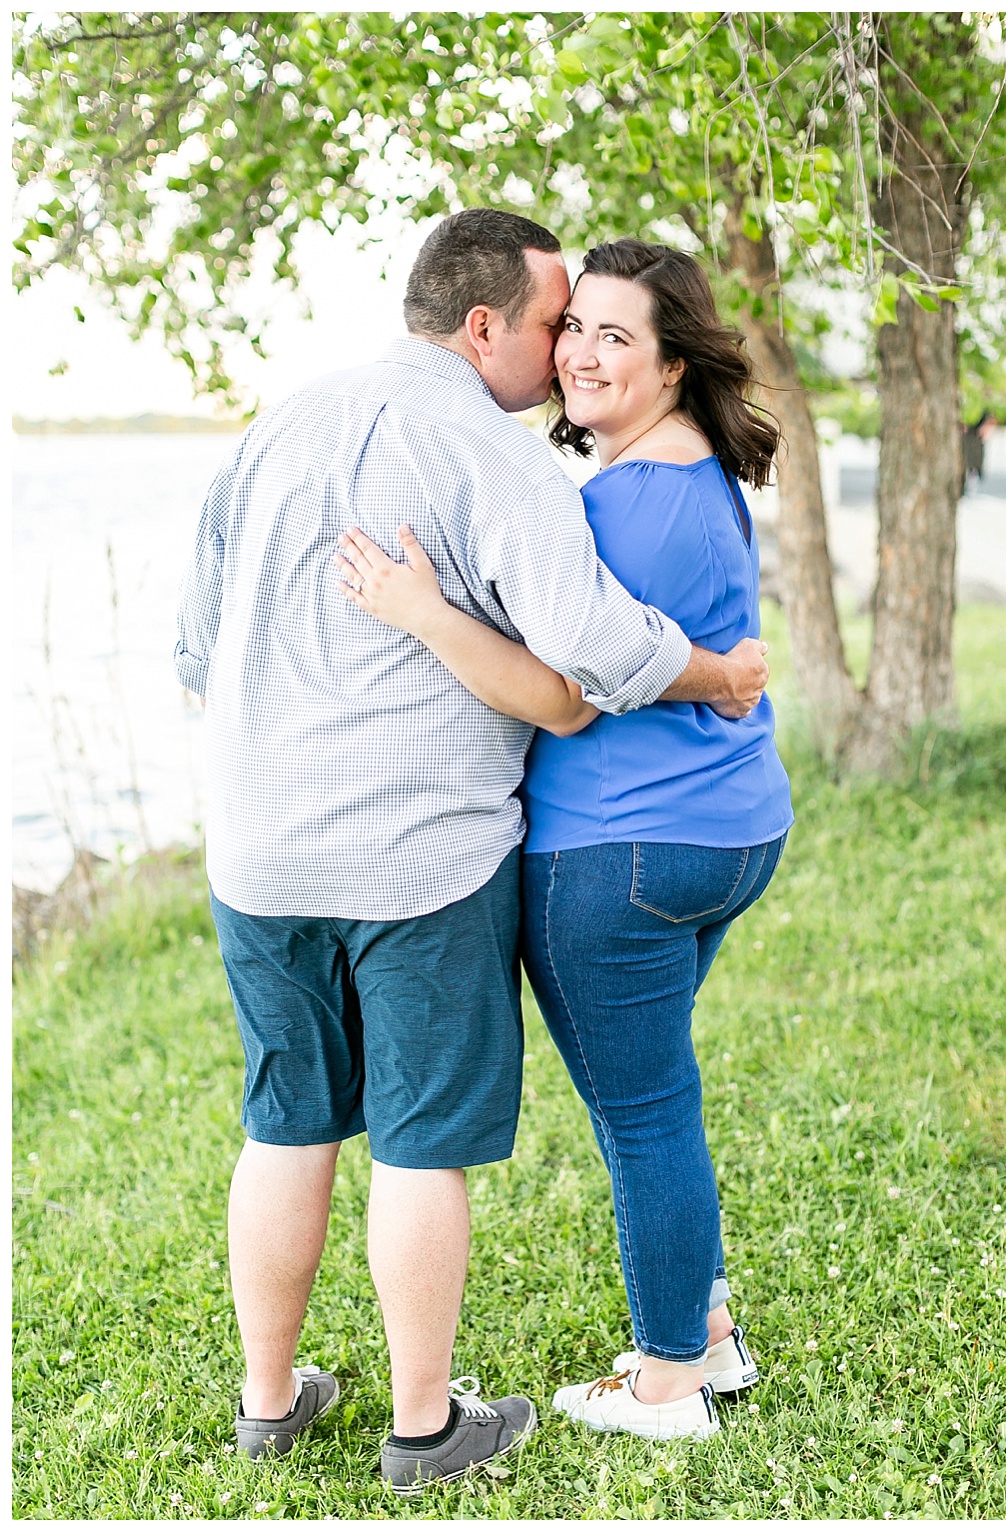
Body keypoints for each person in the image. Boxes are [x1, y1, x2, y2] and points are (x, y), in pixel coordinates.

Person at [174, 208, 768, 1491]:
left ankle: (268, 1401)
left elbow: (193, 645)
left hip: (259, 849)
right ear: (485, 325)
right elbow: (589, 661)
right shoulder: (490, 459)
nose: (563, 351)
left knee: (285, 1123)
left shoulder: (281, 417)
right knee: (417, 1141)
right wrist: (719, 671)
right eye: (558, 321)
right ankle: (424, 1424)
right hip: (420, 860)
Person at [339, 237, 793, 1443]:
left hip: (618, 856)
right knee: (657, 1098)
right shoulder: (697, 476)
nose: (582, 353)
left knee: (644, 1113)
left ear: (671, 365)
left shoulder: (608, 507)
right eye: (575, 326)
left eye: (615, 336)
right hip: (726, 832)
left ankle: (670, 1380)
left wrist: (420, 611)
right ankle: (703, 1330)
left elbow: (565, 683)